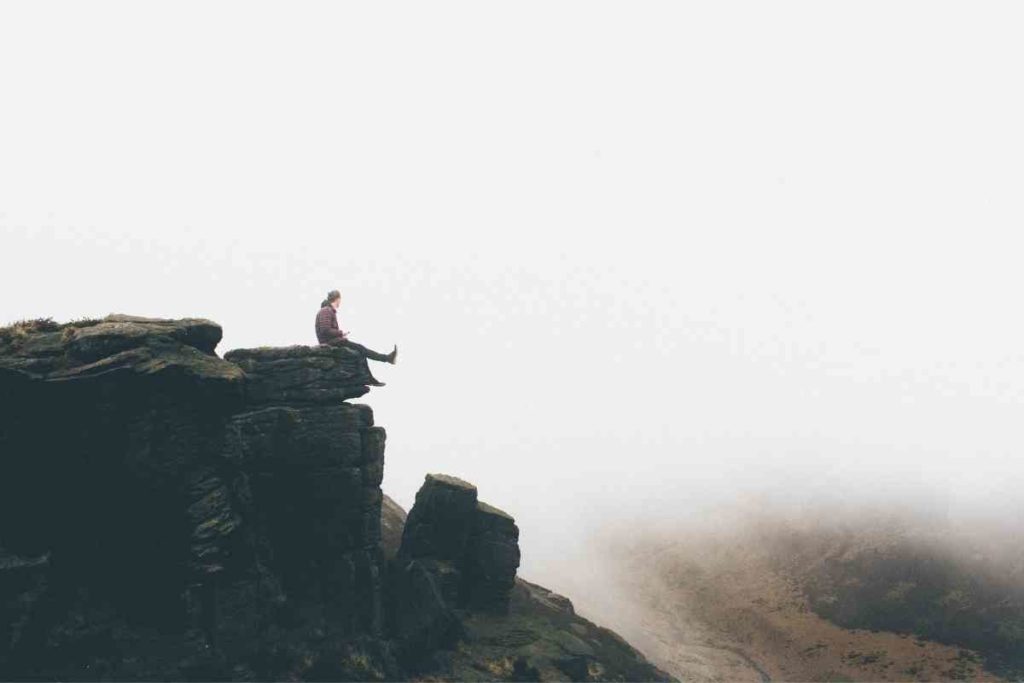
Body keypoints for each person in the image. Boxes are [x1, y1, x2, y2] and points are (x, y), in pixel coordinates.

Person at [315, 290, 397, 385]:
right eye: (340, 299)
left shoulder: (327, 311)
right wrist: (341, 333)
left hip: (333, 341)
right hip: (331, 343)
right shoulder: (326, 310)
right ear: (337, 299)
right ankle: (387, 359)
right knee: (361, 349)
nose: (340, 302)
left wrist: (340, 335)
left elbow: (326, 330)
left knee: (360, 352)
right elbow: (325, 330)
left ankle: (370, 378)